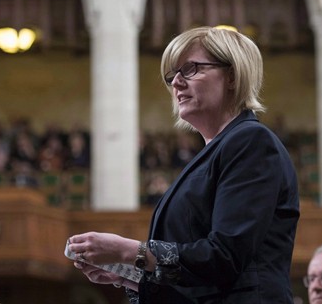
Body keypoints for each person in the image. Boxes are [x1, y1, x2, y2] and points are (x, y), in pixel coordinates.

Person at [68, 26, 300, 303]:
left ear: (232, 75)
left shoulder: (251, 141)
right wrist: (130, 274)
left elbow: (225, 256)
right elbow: (201, 274)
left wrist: (131, 252)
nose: (176, 83)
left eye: (190, 69)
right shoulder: (215, 152)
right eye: (172, 75)